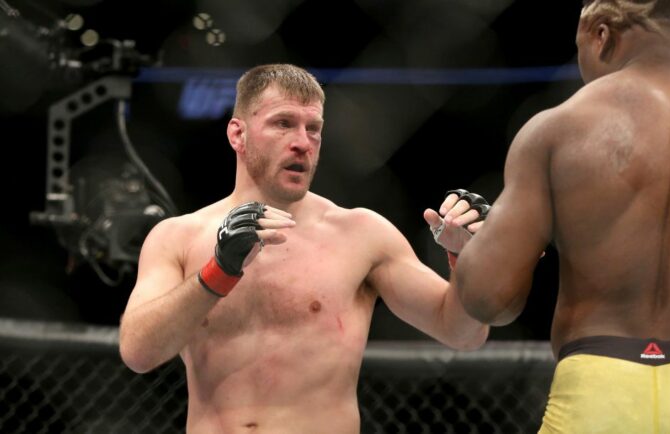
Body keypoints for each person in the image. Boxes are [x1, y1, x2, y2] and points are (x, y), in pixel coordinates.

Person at [118, 64, 490, 433]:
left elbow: (463, 334)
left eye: (313, 128)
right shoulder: (177, 237)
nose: (302, 142)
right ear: (238, 134)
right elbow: (138, 352)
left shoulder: (361, 233)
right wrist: (218, 272)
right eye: (283, 123)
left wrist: (466, 262)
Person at [451, 0, 670, 432]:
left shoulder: (558, 129)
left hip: (597, 392)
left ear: (601, 35)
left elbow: (488, 297)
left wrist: (476, 250)